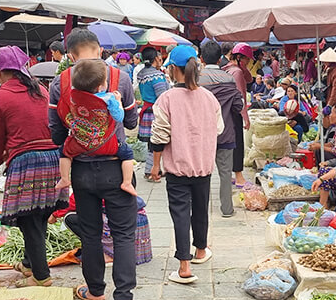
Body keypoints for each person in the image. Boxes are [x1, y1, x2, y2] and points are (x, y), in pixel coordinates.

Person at [49, 28, 144, 300]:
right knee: (124, 233)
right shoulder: (121, 78)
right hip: (117, 166)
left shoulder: (59, 83)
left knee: (90, 233)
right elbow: (129, 121)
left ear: (70, 55)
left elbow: (55, 132)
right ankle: (125, 298)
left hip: (80, 169)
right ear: (100, 50)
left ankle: (94, 290)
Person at [0, 46, 67, 287]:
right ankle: (29, 264)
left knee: (29, 221)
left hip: (27, 162)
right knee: (38, 216)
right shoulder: (40, 89)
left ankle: (41, 277)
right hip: (53, 158)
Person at [149, 45, 222, 285]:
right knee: (201, 210)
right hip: (203, 166)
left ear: (172, 69)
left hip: (178, 168)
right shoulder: (209, 97)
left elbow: (159, 136)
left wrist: (155, 166)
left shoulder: (166, 99)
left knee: (181, 214)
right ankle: (200, 250)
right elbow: (219, 129)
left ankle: (184, 266)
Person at [54, 59, 136, 197]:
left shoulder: (74, 97)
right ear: (100, 87)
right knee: (127, 154)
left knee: (64, 152)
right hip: (107, 144)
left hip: (80, 142)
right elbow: (119, 117)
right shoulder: (108, 98)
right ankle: (127, 182)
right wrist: (119, 102)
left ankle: (64, 179)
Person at [199, 41, 243, 218]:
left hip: (202, 135)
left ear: (201, 58)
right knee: (225, 173)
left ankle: (201, 208)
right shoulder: (229, 79)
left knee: (202, 172)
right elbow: (238, 105)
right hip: (225, 133)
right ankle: (227, 209)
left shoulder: (196, 79)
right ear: (220, 59)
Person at [137, 47, 169, 181]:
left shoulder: (142, 73)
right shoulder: (157, 76)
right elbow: (162, 97)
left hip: (147, 111)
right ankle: (152, 171)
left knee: (152, 143)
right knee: (157, 141)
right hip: (156, 112)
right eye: (160, 57)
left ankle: (152, 169)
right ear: (156, 58)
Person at [223, 43, 253, 187]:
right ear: (240, 57)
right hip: (235, 112)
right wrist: (246, 118)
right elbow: (240, 96)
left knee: (229, 144)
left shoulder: (228, 69)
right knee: (238, 144)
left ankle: (229, 175)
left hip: (225, 112)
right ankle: (239, 177)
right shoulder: (237, 72)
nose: (249, 62)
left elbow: (249, 79)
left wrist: (244, 67)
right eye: (247, 59)